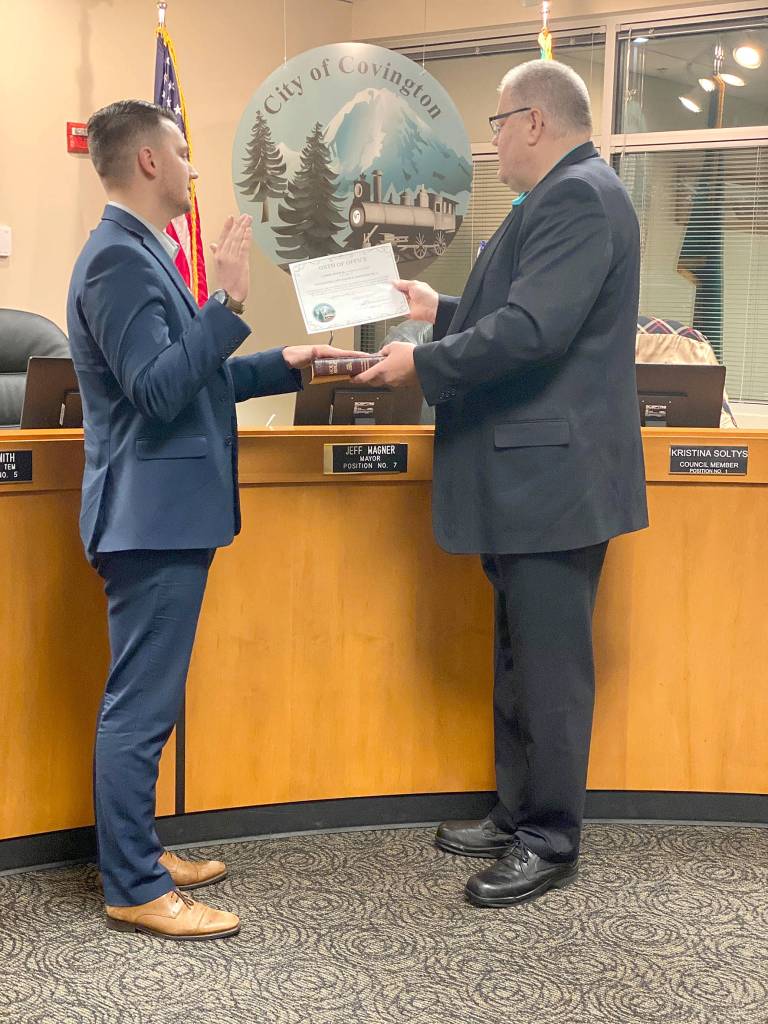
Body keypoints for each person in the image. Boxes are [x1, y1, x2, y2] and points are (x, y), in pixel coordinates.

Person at [357, 60, 648, 907]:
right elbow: (519, 311)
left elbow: (531, 330)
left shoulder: (576, 196)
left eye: (495, 124)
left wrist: (423, 364)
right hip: (533, 481)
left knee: (552, 670)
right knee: (522, 657)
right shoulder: (560, 197)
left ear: (534, 122)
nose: (491, 142)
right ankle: (518, 810)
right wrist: (437, 312)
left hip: (552, 484)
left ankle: (551, 838)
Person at [67, 99, 348, 939]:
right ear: (149, 161)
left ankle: (139, 852)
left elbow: (192, 381)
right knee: (139, 706)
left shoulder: (142, 254)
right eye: (184, 151)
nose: (194, 165)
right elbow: (156, 393)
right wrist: (226, 301)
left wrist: (284, 364)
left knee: (150, 699)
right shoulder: (117, 261)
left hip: (167, 515)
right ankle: (134, 887)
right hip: (147, 519)